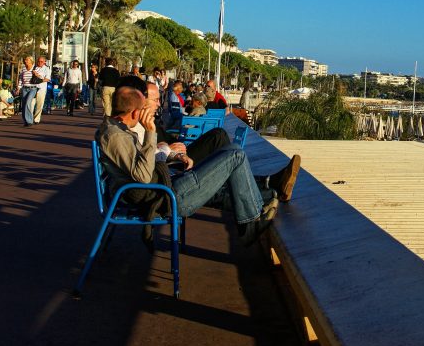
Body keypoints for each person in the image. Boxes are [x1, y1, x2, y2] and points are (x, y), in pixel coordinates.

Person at [97, 87, 299, 246]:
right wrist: (150, 132)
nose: (148, 113)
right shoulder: (115, 136)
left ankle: (271, 191)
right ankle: (250, 224)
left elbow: (142, 165)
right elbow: (142, 176)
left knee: (226, 171)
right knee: (235, 153)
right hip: (169, 196)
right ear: (135, 112)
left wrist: (169, 154)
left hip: (168, 185)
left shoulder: (118, 130)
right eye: (144, 109)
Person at [17, 56, 39, 126]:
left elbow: (40, 77)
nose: (25, 61)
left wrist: (36, 74)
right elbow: (21, 79)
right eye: (25, 59)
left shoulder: (35, 68)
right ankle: (26, 121)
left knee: (27, 103)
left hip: (33, 88)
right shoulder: (23, 68)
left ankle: (29, 121)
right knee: (24, 105)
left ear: (31, 61)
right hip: (24, 88)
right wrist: (18, 88)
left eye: (27, 59)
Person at [32, 56, 51, 124]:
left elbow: (47, 79)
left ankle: (36, 119)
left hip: (41, 89)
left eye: (41, 61)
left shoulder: (46, 69)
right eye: (39, 61)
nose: (40, 63)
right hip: (33, 88)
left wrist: (38, 78)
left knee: (39, 105)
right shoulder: (34, 67)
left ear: (44, 62)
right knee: (31, 104)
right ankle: (29, 118)